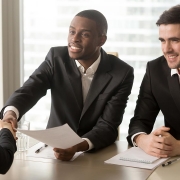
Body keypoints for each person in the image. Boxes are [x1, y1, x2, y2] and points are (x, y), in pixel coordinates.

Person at [1, 10, 134, 161]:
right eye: (72, 31)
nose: (74, 39)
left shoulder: (122, 73)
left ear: (101, 40)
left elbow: (108, 125)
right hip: (52, 151)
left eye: (84, 34)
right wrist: (11, 113)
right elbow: (31, 89)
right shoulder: (56, 57)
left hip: (96, 152)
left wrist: (78, 145)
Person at [127, 5, 180, 158]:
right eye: (162, 41)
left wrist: (178, 146)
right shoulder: (155, 69)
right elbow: (139, 121)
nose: (167, 49)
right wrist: (143, 140)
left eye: (175, 40)